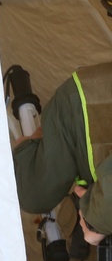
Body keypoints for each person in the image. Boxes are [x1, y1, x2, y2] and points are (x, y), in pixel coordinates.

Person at [12, 62, 112, 245]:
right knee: (34, 191)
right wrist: (97, 220)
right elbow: (36, 193)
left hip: (86, 96)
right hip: (84, 101)